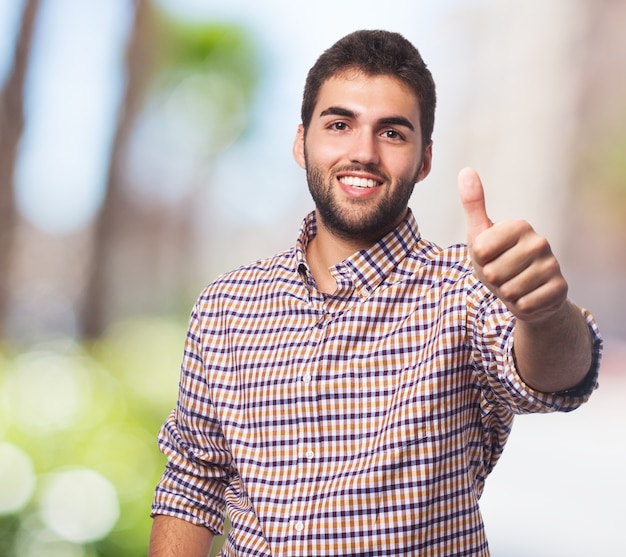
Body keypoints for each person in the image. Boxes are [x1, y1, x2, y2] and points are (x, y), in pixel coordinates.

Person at [148, 30, 602, 556]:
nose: (363, 153)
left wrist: (544, 313)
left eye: (392, 133)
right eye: (340, 125)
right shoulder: (226, 306)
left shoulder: (466, 290)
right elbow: (191, 482)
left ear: (424, 160)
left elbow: (556, 380)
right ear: (302, 142)